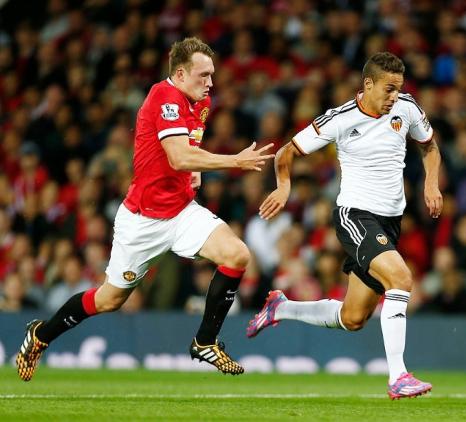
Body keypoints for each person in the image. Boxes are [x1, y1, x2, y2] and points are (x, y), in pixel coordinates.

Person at [16, 37, 274, 381]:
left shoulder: (201, 100)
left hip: (182, 211)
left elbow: (189, 145)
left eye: (212, 75)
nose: (210, 83)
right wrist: (234, 161)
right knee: (109, 300)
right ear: (180, 74)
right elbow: (179, 155)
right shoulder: (163, 97)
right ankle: (41, 335)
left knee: (237, 255)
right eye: (203, 75)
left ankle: (205, 341)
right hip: (142, 220)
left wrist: (194, 169)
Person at [247, 52, 442, 399]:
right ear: (368, 84)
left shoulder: (407, 108)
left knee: (353, 318)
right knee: (401, 279)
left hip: (390, 221)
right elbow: (286, 152)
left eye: (398, 89)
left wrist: (431, 184)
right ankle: (398, 376)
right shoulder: (340, 118)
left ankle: (281, 307)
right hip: (355, 216)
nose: (394, 97)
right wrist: (284, 186)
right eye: (388, 89)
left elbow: (429, 147)